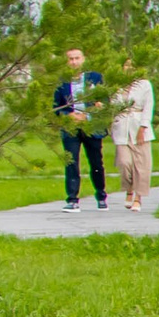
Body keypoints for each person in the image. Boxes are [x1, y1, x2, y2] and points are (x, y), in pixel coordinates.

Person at [55, 48, 106, 211]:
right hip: (71, 128)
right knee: (71, 162)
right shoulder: (61, 82)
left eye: (77, 58)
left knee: (96, 162)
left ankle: (101, 195)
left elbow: (104, 100)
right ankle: (72, 199)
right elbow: (56, 107)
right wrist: (68, 115)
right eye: (70, 59)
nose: (74, 62)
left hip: (91, 126)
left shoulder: (95, 78)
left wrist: (91, 113)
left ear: (83, 59)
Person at [110, 71, 155, 211]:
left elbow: (148, 107)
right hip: (121, 127)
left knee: (141, 165)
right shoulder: (116, 86)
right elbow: (111, 107)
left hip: (138, 126)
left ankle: (138, 198)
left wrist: (143, 127)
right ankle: (129, 189)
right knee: (124, 163)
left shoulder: (144, 85)